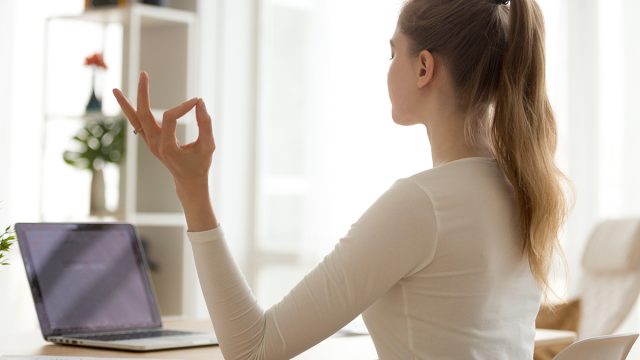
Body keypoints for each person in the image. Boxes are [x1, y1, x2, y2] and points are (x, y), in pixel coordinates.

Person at [113, 0, 569, 358]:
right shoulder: (526, 193)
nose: (388, 66)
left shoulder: (421, 205)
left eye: (394, 51)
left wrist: (192, 189)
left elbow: (253, 348)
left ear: (424, 67)